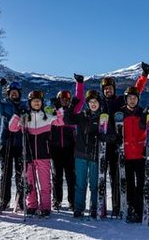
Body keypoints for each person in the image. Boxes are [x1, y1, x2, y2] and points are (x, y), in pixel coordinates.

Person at [100, 62, 149, 216]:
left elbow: (135, 93)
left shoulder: (120, 101)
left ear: (114, 89)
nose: (108, 90)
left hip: (118, 144)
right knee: (103, 177)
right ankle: (105, 206)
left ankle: (118, 206)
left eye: (110, 88)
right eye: (106, 88)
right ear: (103, 90)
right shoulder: (99, 103)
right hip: (104, 143)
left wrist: (144, 76)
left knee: (118, 178)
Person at [9, 90, 64, 216]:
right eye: (34, 101)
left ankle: (45, 207)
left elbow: (61, 122)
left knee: (44, 183)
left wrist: (59, 107)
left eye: (39, 101)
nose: (36, 103)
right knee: (30, 183)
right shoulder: (25, 117)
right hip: (28, 157)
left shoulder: (47, 117)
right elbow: (12, 128)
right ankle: (32, 205)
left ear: (42, 102)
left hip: (43, 155)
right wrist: (17, 114)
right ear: (30, 103)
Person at [64, 90, 115, 218]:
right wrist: (72, 105)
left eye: (95, 102)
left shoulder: (104, 118)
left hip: (95, 156)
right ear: (87, 103)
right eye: (91, 102)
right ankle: (79, 208)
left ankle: (94, 207)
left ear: (99, 103)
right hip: (80, 155)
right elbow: (67, 120)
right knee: (80, 184)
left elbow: (113, 136)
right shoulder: (82, 116)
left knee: (94, 185)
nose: (93, 104)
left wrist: (104, 137)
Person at [0, 79, 28, 212]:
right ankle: (4, 200)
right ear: (8, 94)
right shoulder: (4, 106)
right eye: (11, 93)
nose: (14, 95)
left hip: (20, 143)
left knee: (21, 174)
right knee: (6, 173)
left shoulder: (24, 105)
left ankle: (21, 200)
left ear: (19, 93)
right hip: (6, 142)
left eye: (15, 92)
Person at [49, 73, 84, 211]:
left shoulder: (73, 111)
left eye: (67, 99)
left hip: (70, 148)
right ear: (58, 100)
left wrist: (79, 84)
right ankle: (57, 200)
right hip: (56, 148)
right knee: (57, 176)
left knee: (71, 177)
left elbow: (80, 100)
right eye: (62, 99)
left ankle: (72, 201)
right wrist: (56, 109)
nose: (64, 101)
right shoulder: (52, 111)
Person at [118, 86, 147, 223]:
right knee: (128, 184)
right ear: (126, 99)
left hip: (141, 155)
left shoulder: (143, 113)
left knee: (140, 185)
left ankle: (139, 210)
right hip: (127, 155)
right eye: (129, 98)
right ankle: (130, 208)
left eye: (134, 98)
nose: (132, 100)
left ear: (138, 99)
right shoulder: (120, 114)